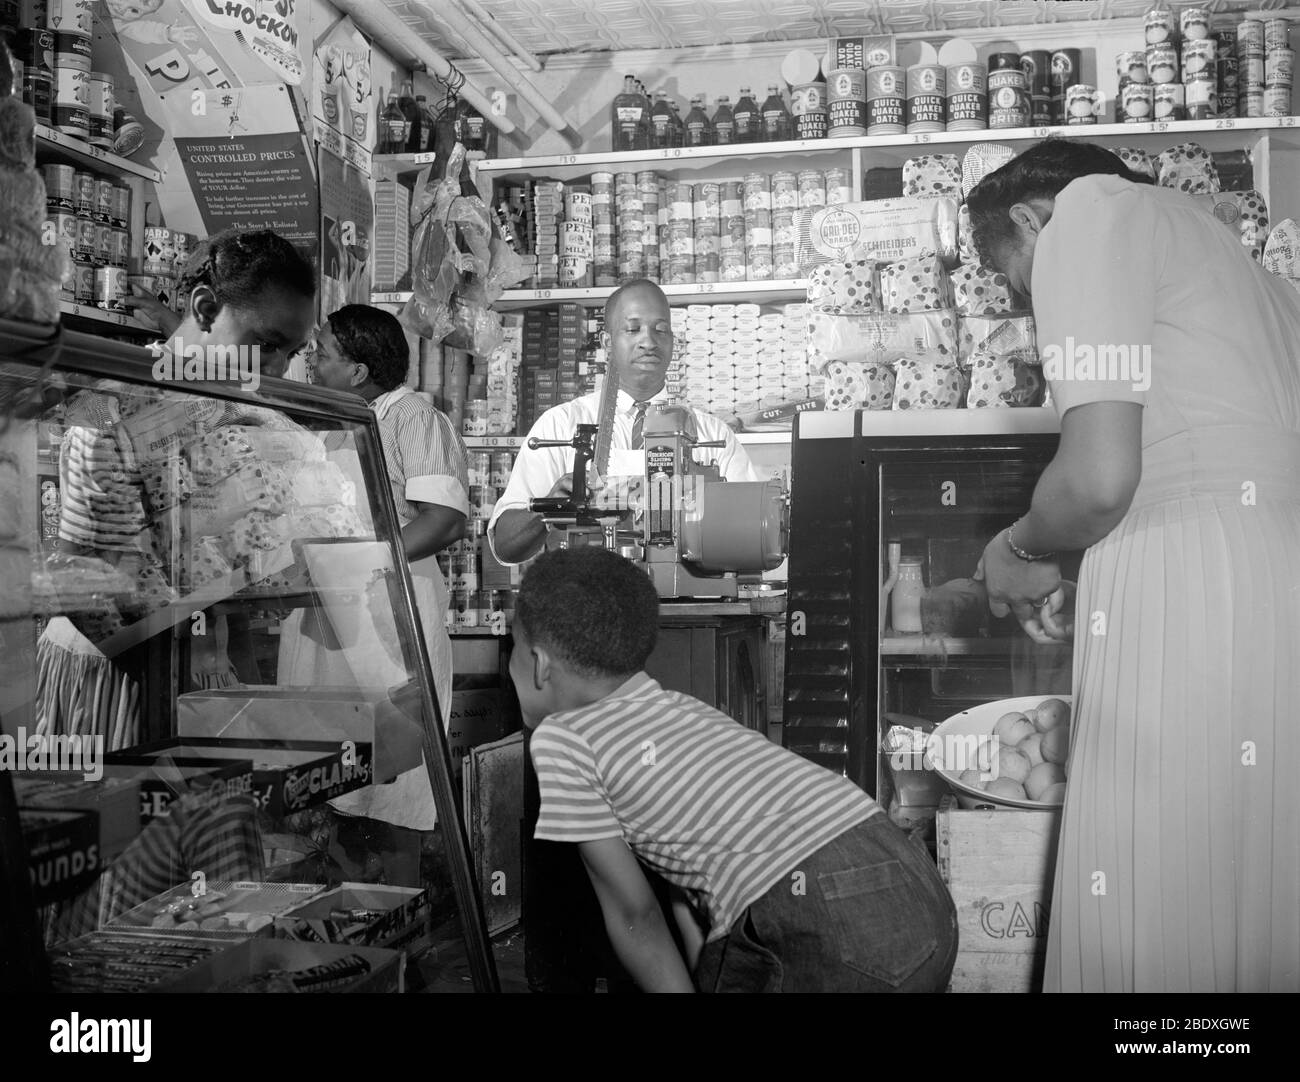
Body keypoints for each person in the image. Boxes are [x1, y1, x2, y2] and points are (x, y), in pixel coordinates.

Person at [966, 138, 1300, 992]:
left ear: (1028, 218)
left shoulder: (1091, 213)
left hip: (1193, 582)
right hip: (1270, 582)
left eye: (1018, 281)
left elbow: (1101, 477)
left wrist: (1021, 549)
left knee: (1153, 905)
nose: (1027, 304)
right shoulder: (1248, 269)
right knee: (1249, 886)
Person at [511, 545, 958, 993]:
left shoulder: (562, 738)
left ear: (539, 665)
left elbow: (634, 916)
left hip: (823, 915)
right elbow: (687, 881)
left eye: (513, 649)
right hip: (915, 884)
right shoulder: (679, 709)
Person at [282, 303, 469, 885]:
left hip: (391, 617)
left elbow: (443, 519)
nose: (310, 359)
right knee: (336, 781)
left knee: (394, 783)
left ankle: (398, 931)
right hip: (336, 619)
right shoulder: (339, 416)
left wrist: (367, 562)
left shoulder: (409, 416)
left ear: (359, 371)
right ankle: (353, 923)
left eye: (323, 352)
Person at [488, 278, 760, 564]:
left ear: (672, 340)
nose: (648, 341)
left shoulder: (711, 434)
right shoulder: (561, 425)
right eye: (633, 329)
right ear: (607, 342)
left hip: (689, 602)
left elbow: (754, 530)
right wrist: (550, 509)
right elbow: (505, 546)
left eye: (661, 329)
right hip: (588, 599)